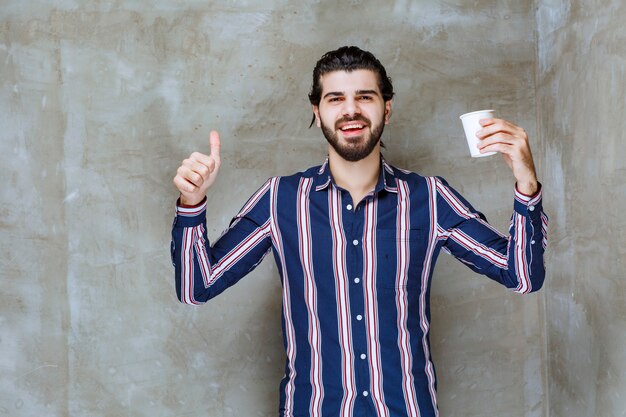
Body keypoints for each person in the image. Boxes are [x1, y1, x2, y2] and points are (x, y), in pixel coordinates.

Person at [170, 46, 547, 417]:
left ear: (387, 107)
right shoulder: (279, 200)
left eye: (364, 96)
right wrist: (192, 201)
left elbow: (523, 276)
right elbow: (195, 287)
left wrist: (525, 180)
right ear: (317, 113)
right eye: (335, 99)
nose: (351, 110)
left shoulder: (430, 198)